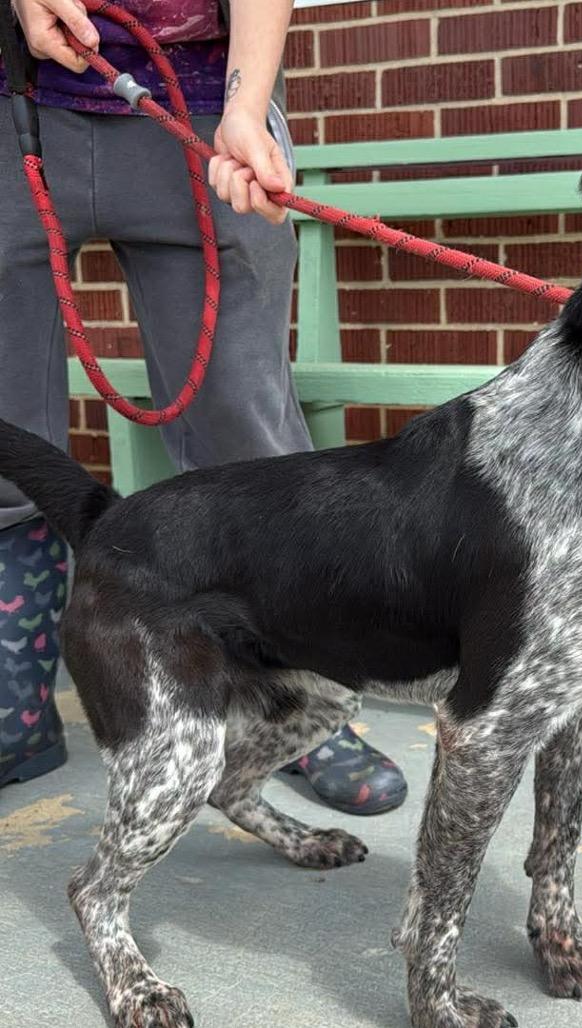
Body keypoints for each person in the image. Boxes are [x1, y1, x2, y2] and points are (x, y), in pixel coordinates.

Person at [0, 0, 407, 815]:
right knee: (3, 441)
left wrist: (249, 109)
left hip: (206, 107)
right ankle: (13, 707)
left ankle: (293, 706)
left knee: (249, 438)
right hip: (11, 103)